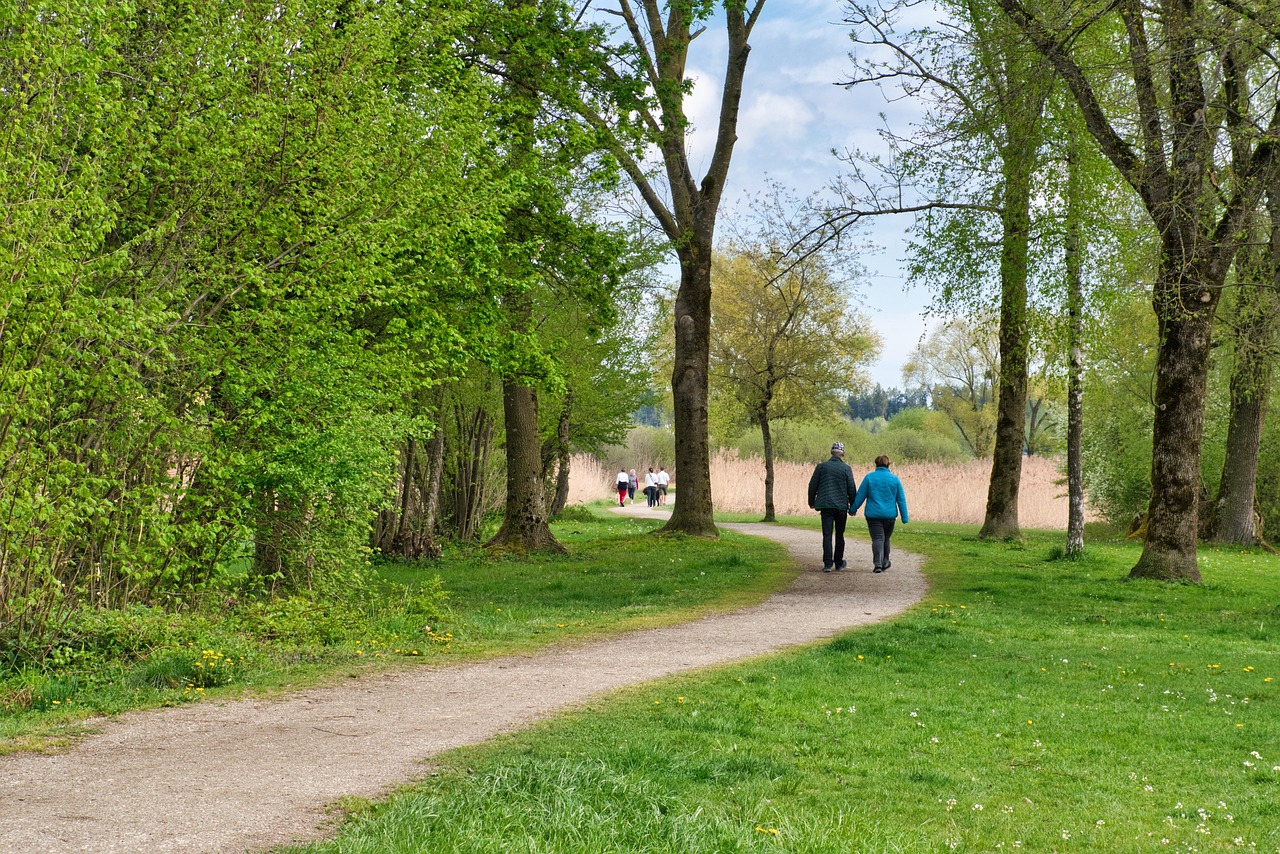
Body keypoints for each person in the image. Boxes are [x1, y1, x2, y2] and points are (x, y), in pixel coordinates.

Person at [850, 454, 909, 573]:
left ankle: (877, 564)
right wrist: (904, 517)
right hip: (889, 515)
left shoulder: (869, 478)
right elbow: (901, 499)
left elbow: (861, 495)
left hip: (873, 515)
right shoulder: (894, 479)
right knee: (886, 539)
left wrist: (853, 509)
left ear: (876, 464)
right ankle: (885, 561)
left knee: (877, 538)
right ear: (888, 464)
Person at [807, 442, 858, 572]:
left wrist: (811, 502)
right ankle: (839, 562)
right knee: (840, 535)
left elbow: (812, 485)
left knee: (827, 535)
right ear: (843, 454)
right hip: (841, 506)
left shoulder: (821, 467)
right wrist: (853, 506)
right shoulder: (846, 468)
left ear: (831, 453)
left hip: (825, 505)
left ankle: (828, 563)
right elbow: (851, 488)